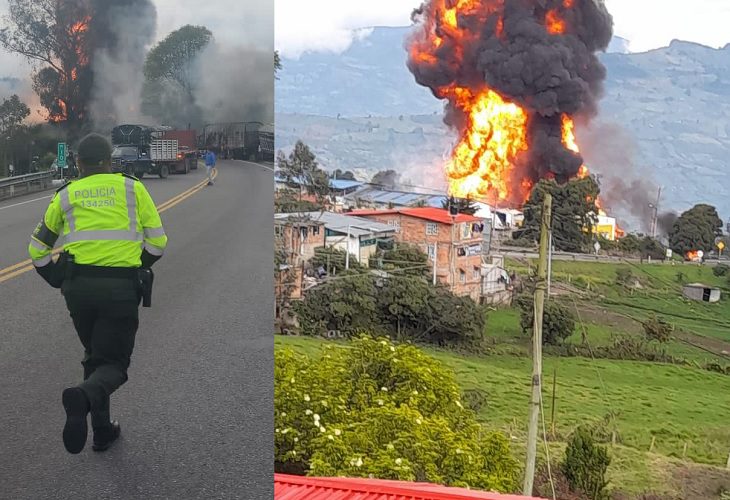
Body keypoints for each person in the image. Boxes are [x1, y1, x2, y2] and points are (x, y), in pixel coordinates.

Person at [28, 133, 167, 454]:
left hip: (78, 290)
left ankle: (102, 431)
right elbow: (158, 243)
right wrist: (135, 265)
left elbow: (37, 249)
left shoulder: (65, 195)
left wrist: (57, 279)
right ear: (110, 160)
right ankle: (84, 398)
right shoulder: (133, 188)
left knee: (95, 356)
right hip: (119, 289)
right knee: (115, 365)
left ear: (78, 163)